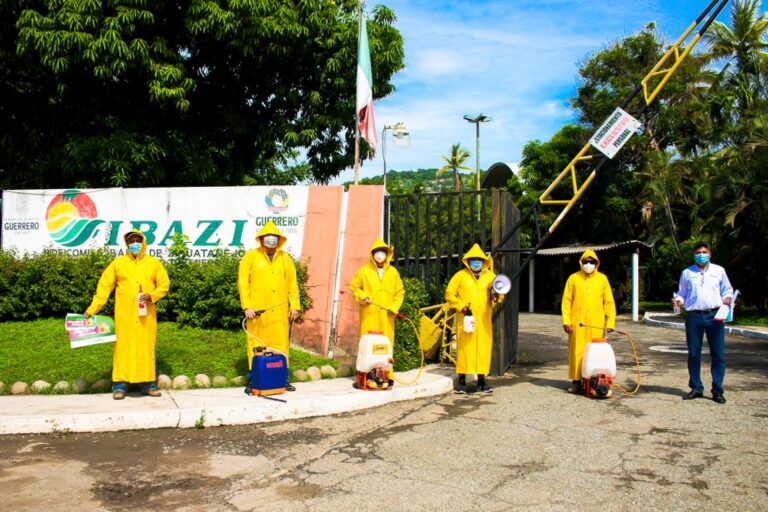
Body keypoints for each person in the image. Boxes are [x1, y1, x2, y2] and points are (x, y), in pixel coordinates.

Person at [85, 229, 170, 400]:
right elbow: (103, 289)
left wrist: (152, 295)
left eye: (138, 240)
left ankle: (149, 386)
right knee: (122, 349)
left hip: (146, 317)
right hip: (125, 317)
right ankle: (119, 386)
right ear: (127, 244)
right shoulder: (117, 264)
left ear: (143, 242)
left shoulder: (153, 264)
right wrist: (91, 310)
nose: (135, 244)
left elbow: (164, 284)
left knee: (146, 349)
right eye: (131, 241)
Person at [238, 221, 301, 391]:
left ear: (280, 240)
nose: (271, 242)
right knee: (256, 343)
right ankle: (254, 379)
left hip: (279, 312)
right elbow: (243, 283)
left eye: (274, 239)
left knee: (281, 344)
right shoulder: (250, 257)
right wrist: (247, 306)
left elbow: (292, 283)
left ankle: (283, 378)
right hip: (257, 312)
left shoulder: (285, 258)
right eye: (268, 238)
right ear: (261, 239)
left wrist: (294, 305)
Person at [673, 241, 733, 404]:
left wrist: (727, 300)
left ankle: (717, 390)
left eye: (704, 252)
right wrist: (678, 301)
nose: (702, 255)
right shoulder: (687, 273)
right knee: (694, 353)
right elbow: (681, 293)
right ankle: (696, 387)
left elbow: (727, 290)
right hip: (693, 316)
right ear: (694, 254)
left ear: (710, 254)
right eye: (698, 252)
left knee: (718, 354)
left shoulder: (719, 271)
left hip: (715, 315)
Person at [445, 244, 504, 394]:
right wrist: (461, 306)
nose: (476, 262)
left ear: (484, 261)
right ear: (468, 261)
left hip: (483, 320)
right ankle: (462, 381)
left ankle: (482, 381)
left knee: (482, 350)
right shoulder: (460, 276)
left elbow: (499, 295)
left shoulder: (491, 277)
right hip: (466, 319)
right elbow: (449, 294)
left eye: (479, 259)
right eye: (473, 259)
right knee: (465, 349)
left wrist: (496, 295)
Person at [561, 249, 616, 394]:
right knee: (577, 353)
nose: (588, 264)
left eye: (591, 262)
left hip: (596, 324)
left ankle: (594, 381)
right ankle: (576, 382)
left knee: (595, 353)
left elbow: (609, 302)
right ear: (581, 262)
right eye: (586, 261)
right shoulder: (573, 278)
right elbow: (566, 301)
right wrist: (566, 321)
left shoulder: (602, 279)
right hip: (577, 324)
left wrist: (610, 322)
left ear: (596, 263)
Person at [349, 238, 404, 343]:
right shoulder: (364, 271)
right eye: (377, 252)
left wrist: (394, 307)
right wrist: (362, 297)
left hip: (387, 315)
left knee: (385, 344)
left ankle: (385, 360)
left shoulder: (393, 272)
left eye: (382, 252)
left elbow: (399, 292)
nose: (379, 255)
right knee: (368, 344)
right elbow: (354, 288)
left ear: (387, 254)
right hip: (369, 315)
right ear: (372, 254)